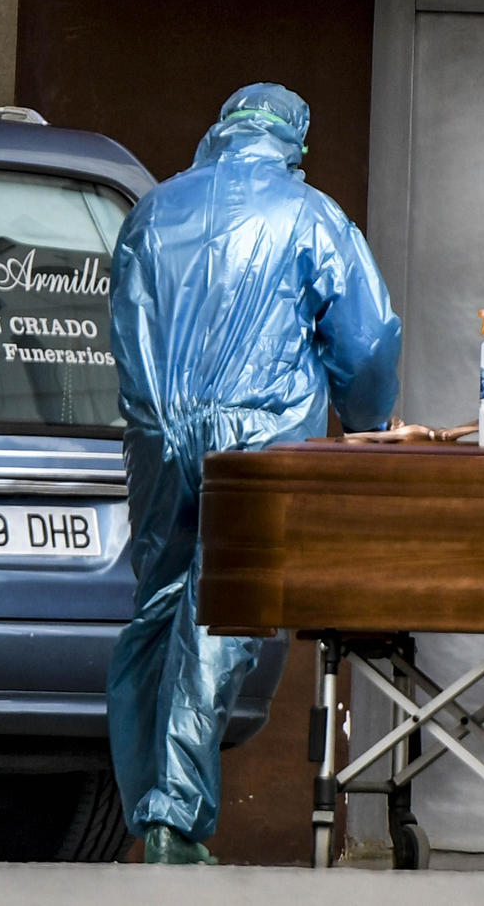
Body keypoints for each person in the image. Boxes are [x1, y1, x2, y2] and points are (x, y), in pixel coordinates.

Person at [107, 83, 402, 863]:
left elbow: (126, 327)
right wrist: (367, 425)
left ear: (224, 129)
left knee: (158, 609)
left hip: (160, 433)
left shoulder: (152, 211)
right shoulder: (311, 216)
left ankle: (151, 806)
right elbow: (368, 342)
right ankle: (173, 818)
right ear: (294, 143)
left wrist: (154, 419)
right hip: (263, 439)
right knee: (223, 614)